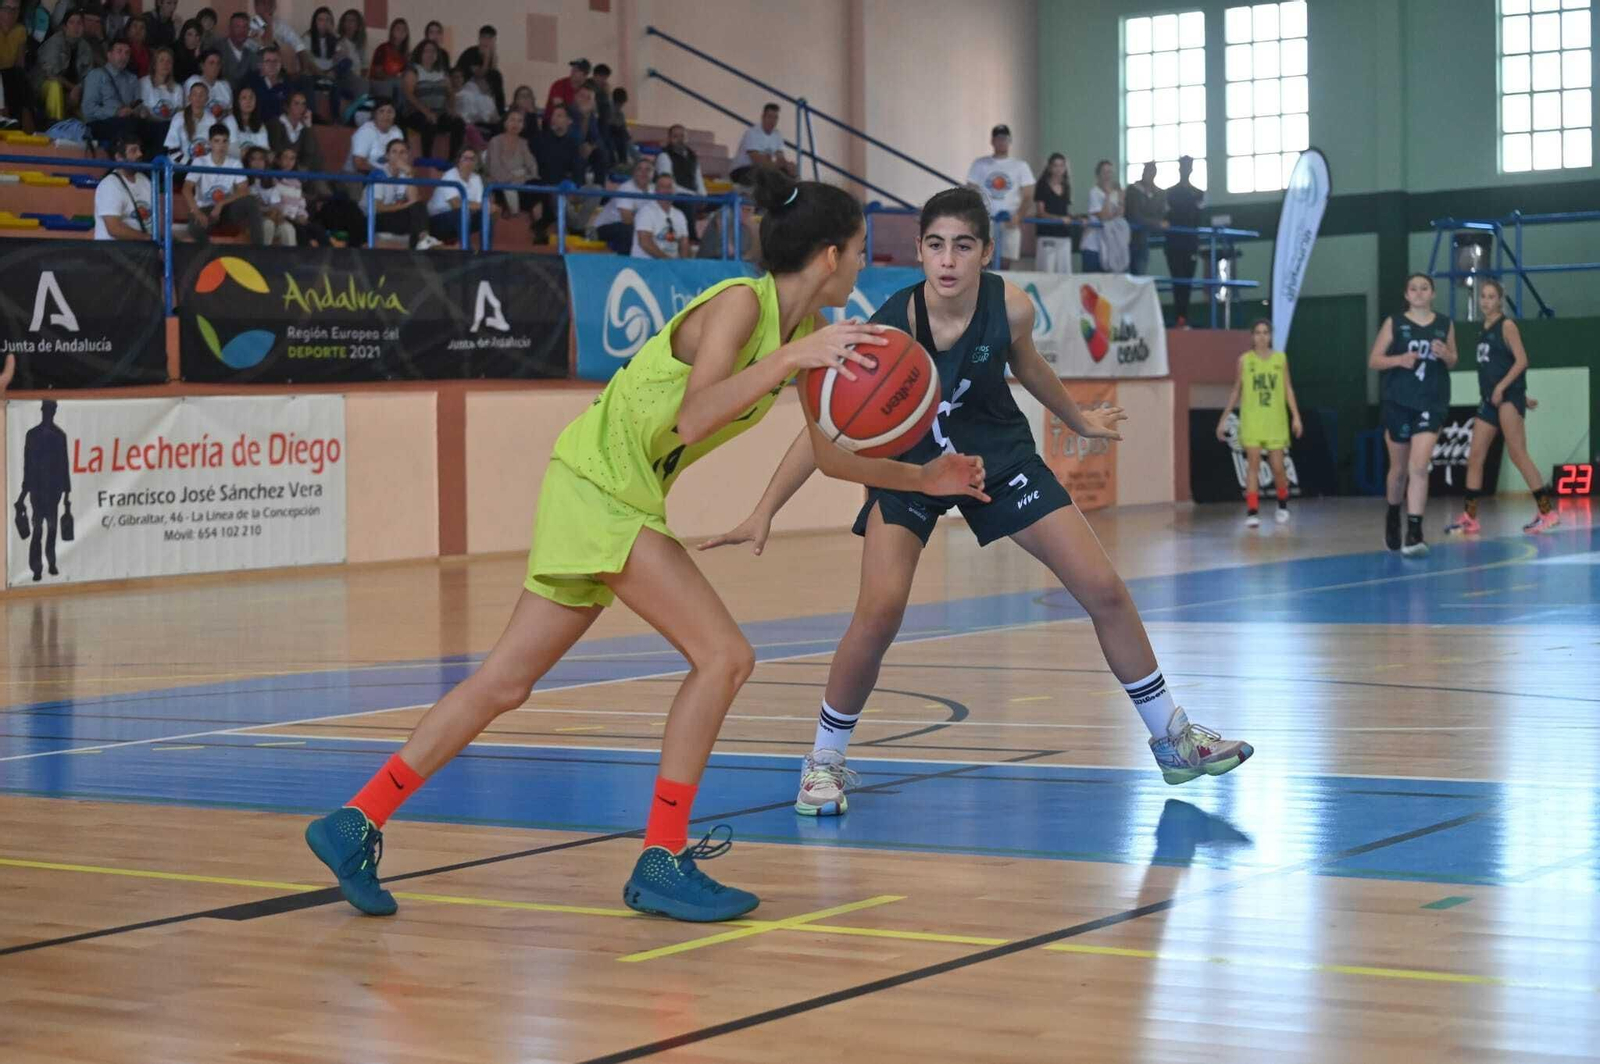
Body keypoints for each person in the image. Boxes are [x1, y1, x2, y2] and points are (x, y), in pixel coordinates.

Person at [301, 168, 989, 924]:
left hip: (603, 488)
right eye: (859, 251)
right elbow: (696, 418)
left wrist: (922, 477)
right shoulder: (739, 306)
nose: (863, 266)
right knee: (725, 657)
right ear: (829, 256)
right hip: (604, 487)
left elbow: (828, 456)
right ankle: (661, 855)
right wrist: (794, 360)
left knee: (503, 683)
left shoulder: (792, 338)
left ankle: (356, 820)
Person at [705, 187, 1254, 817]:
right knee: (879, 612)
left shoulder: (1010, 306)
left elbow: (1032, 366)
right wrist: (765, 507)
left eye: (962, 246)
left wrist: (1075, 419)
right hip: (912, 464)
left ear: (985, 253)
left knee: (1103, 588)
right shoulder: (887, 325)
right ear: (917, 251)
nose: (948, 260)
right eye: (935, 245)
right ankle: (823, 763)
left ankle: (1173, 738)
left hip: (996, 453)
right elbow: (824, 429)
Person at [1444, 278, 1560, 536]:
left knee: (1518, 453)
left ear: (1500, 300)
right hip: (1490, 400)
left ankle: (1547, 512)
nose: (1486, 301)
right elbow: (1497, 365)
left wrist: (1506, 389)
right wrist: (1514, 393)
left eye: (1491, 296)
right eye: (1482, 296)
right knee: (1475, 456)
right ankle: (1470, 517)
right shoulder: (1483, 330)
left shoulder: (1506, 326)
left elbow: (1521, 361)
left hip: (1506, 397)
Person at [1368, 273, 1457, 556]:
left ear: (1432, 293)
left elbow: (1454, 360)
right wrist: (1398, 359)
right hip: (1399, 401)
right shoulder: (1395, 323)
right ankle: (1393, 513)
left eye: (1424, 288)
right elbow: (1374, 360)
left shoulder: (1444, 323)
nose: (1419, 293)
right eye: (1414, 289)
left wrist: (1445, 355)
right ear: (1407, 295)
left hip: (1431, 401)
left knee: (1419, 466)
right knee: (1398, 472)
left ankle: (1415, 532)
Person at [1215, 319, 1303, 527]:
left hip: (1275, 420)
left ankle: (1282, 505)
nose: (1262, 336)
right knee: (1252, 466)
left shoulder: (1280, 359)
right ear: (1252, 336)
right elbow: (1237, 390)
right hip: (1253, 419)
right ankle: (1252, 511)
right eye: (1257, 332)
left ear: (1270, 336)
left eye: (1265, 332)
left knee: (1278, 468)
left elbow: (1288, 389)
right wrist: (1224, 417)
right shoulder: (1244, 360)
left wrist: (1296, 416)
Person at [965, 123, 1034, 269]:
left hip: (1009, 219)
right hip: (985, 220)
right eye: (998, 139)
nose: (1001, 142)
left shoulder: (1020, 166)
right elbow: (971, 190)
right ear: (992, 141)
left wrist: (1018, 216)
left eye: (1004, 139)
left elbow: (1029, 195)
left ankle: (1000, 289)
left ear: (1009, 141)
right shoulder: (980, 164)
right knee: (983, 258)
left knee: (1005, 261)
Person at [184, 122, 265, 244]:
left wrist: (221, 204)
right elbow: (187, 188)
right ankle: (209, 256)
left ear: (228, 143)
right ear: (210, 143)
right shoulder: (200, 162)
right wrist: (196, 211)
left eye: (224, 141)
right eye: (217, 141)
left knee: (251, 201)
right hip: (205, 209)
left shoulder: (235, 163)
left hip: (226, 210)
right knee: (195, 228)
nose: (221, 145)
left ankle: (258, 251)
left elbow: (244, 190)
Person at [17, 400, 70, 583]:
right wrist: (24, 492)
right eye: (47, 410)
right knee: (38, 530)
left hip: (53, 491)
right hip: (38, 490)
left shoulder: (59, 436)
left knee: (52, 529)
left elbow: (64, 465)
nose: (49, 413)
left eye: (51, 410)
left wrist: (66, 494)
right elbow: (28, 466)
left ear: (54, 411)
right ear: (44, 411)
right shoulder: (32, 435)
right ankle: (37, 568)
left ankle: (51, 562)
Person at [366, 136, 438, 249]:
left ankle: (423, 241)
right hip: (373, 218)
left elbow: (414, 200)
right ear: (387, 156)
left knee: (419, 211)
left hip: (393, 214)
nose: (398, 156)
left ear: (407, 156)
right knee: (416, 217)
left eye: (402, 152)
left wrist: (409, 173)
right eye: (394, 152)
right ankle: (423, 240)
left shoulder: (404, 174)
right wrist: (405, 205)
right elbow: (378, 207)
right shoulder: (379, 173)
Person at [401, 38, 463, 161]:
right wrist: (426, 112)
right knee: (428, 123)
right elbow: (408, 94)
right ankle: (427, 159)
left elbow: (450, 94)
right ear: (420, 53)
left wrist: (451, 109)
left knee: (459, 123)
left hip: (439, 113)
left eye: (433, 51)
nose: (430, 54)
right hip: (416, 114)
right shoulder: (413, 70)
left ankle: (452, 159)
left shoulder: (442, 72)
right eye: (426, 51)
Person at [81, 37, 144, 152]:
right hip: (100, 123)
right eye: (119, 51)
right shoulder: (96, 75)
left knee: (156, 128)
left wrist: (136, 111)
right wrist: (115, 112)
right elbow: (88, 109)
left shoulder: (132, 79)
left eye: (127, 53)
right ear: (109, 55)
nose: (123, 56)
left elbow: (138, 104)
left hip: (128, 122)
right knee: (128, 126)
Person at [426, 144, 495, 247]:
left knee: (486, 215)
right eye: (465, 158)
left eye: (472, 159)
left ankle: (485, 251)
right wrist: (482, 206)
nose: (469, 162)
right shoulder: (450, 175)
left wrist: (487, 208)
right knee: (461, 212)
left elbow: (480, 206)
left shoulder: (476, 178)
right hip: (436, 222)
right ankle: (466, 250)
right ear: (458, 161)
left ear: (476, 162)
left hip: (462, 219)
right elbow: (456, 204)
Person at [31, 9, 94, 122]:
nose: (76, 26)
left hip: (74, 92)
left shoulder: (86, 47)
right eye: (71, 22)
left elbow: (89, 76)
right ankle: (55, 126)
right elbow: (50, 74)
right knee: (54, 86)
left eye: (79, 23)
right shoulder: (54, 43)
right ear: (65, 27)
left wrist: (78, 89)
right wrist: (73, 88)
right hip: (43, 86)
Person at [1165, 155, 1204, 327]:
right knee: (1177, 280)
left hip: (1191, 244)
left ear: (1192, 169)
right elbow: (1165, 216)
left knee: (1187, 281)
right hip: (1174, 244)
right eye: (1183, 166)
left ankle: (1184, 318)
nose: (1186, 169)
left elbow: (1201, 218)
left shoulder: (1199, 193)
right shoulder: (1170, 193)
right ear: (1179, 168)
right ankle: (1178, 318)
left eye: (1189, 166)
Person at [92, 130, 152, 240]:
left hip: (141, 249)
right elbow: (114, 229)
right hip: (115, 251)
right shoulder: (109, 185)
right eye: (134, 151)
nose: (140, 154)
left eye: (139, 149)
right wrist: (149, 239)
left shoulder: (144, 180)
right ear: (119, 157)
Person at [267, 145, 330, 246]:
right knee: (301, 232)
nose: (289, 161)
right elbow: (274, 204)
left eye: (292, 158)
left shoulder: (296, 182)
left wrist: (301, 216)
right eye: (285, 157)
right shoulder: (272, 179)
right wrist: (292, 217)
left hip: (296, 217)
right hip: (283, 217)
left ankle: (328, 259)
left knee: (319, 230)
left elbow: (300, 203)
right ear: (278, 160)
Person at [593, 155, 652, 255]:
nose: (644, 173)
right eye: (640, 169)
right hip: (604, 228)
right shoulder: (626, 188)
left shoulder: (653, 191)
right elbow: (627, 219)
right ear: (634, 173)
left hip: (631, 227)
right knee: (627, 229)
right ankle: (624, 264)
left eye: (648, 170)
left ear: (653, 174)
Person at [485, 107, 536, 217]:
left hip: (519, 181)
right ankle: (515, 213)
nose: (516, 124)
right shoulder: (496, 141)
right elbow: (495, 168)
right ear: (505, 123)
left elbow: (532, 167)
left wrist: (524, 177)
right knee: (509, 185)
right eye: (512, 120)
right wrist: (512, 178)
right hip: (496, 181)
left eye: (520, 121)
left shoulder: (523, 143)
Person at [1081, 159, 1129, 273]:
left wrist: (1121, 199)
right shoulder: (1094, 192)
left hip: (1109, 245)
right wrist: (1107, 196)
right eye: (1105, 172)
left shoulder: (1115, 194)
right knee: (1092, 282)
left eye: (1110, 172)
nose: (1108, 175)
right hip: (1093, 246)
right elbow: (1103, 216)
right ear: (1098, 175)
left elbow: (1120, 215)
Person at [730, 101, 792, 184]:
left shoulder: (777, 135)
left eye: (775, 118)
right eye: (770, 117)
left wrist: (788, 166)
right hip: (741, 170)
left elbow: (780, 157)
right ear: (763, 117)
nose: (772, 121)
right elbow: (757, 159)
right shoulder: (752, 133)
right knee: (765, 174)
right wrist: (775, 165)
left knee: (788, 174)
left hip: (763, 169)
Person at [1124, 161, 1167, 276]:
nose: (1149, 174)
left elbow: (1161, 215)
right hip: (1129, 239)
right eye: (1147, 171)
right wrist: (1155, 223)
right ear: (1143, 172)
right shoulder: (1133, 190)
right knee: (1127, 276)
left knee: (1139, 275)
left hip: (1143, 241)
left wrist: (1151, 221)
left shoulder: (1159, 194)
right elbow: (1134, 216)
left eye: (1152, 172)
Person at [631, 171, 687, 259]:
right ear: (655, 190)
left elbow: (684, 243)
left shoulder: (679, 214)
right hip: (647, 266)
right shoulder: (645, 212)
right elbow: (645, 243)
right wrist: (668, 262)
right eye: (662, 187)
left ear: (674, 190)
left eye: (669, 187)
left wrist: (685, 265)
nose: (666, 190)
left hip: (670, 267)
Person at [1033, 151, 1073, 273]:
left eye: (1061, 165)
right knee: (1046, 272)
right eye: (1056, 165)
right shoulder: (1042, 185)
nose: (1059, 169)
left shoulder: (1066, 186)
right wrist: (1058, 219)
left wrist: (1076, 218)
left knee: (1064, 273)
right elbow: (1040, 212)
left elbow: (1065, 211)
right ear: (1050, 167)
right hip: (1047, 234)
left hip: (1064, 235)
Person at [697, 184, 759, 263]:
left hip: (735, 264)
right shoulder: (726, 213)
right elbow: (720, 220)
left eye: (749, 210)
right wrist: (728, 244)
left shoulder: (751, 224)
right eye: (743, 209)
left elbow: (754, 254)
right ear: (736, 207)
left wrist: (753, 229)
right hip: (710, 262)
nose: (745, 213)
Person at [453, 24, 503, 115]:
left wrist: (493, 57)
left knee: (497, 76)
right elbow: (479, 75)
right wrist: (487, 59)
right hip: (465, 86)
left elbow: (492, 74)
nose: (487, 41)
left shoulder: (491, 54)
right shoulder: (471, 53)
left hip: (480, 89)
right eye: (484, 38)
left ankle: (500, 113)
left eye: (490, 39)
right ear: (479, 39)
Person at [0, 0, 34, 133]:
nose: (11, 13)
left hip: (11, 73)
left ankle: (27, 126)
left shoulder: (20, 30)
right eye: (7, 8)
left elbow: (20, 63)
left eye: (15, 9)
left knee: (20, 77)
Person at [344, 96, 401, 173]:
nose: (386, 115)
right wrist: (384, 170)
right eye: (381, 111)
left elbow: (400, 159)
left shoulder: (396, 132)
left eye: (390, 112)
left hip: (384, 177)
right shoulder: (366, 131)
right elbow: (359, 164)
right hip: (356, 177)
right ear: (374, 114)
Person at [246, 0, 301, 77]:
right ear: (256, 7)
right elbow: (267, 46)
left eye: (271, 3)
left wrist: (305, 67)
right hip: (256, 71)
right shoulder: (250, 26)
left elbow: (298, 43)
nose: (268, 6)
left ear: (275, 6)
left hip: (276, 70)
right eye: (264, 3)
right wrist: (269, 22)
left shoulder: (279, 24)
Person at [164, 79, 212, 161]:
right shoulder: (178, 118)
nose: (198, 97)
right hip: (181, 168)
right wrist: (191, 165)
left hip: (205, 168)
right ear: (189, 97)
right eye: (195, 94)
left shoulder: (212, 119)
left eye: (202, 94)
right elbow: (172, 150)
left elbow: (214, 147)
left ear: (207, 99)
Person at [244, 44, 291, 123]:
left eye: (276, 61)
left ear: (281, 64)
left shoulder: (287, 82)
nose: (272, 65)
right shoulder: (251, 80)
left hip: (280, 125)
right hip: (257, 124)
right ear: (261, 65)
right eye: (268, 61)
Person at [183, 48, 232, 119]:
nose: (215, 67)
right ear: (202, 66)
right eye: (211, 63)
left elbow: (230, 110)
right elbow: (189, 109)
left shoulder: (225, 85)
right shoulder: (193, 81)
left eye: (218, 63)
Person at [367, 17, 409, 101]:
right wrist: (394, 78)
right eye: (398, 29)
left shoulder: (406, 54)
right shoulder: (383, 48)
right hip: (379, 82)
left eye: (404, 30)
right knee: (399, 83)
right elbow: (377, 73)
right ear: (392, 31)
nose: (401, 32)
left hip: (396, 82)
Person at [224, 83, 268, 159]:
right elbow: (231, 149)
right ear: (237, 102)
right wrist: (253, 156)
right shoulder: (230, 121)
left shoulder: (260, 125)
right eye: (244, 98)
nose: (248, 101)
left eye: (251, 98)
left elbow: (265, 150)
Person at [543, 56, 587, 124]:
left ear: (585, 75)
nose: (573, 71)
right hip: (552, 124)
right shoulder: (559, 85)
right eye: (573, 68)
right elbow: (559, 107)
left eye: (577, 70)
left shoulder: (586, 89)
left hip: (573, 124)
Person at [218, 11, 257, 87]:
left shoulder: (253, 49)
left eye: (245, 27)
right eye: (237, 26)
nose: (242, 31)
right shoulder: (218, 48)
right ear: (230, 28)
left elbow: (258, 73)